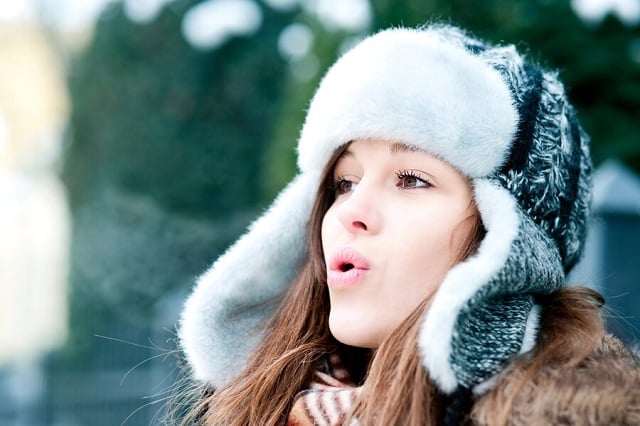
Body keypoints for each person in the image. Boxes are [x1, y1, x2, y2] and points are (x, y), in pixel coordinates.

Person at [177, 24, 640, 425]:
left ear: (508, 249)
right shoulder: (264, 409)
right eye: (344, 182)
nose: (350, 211)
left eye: (411, 179)